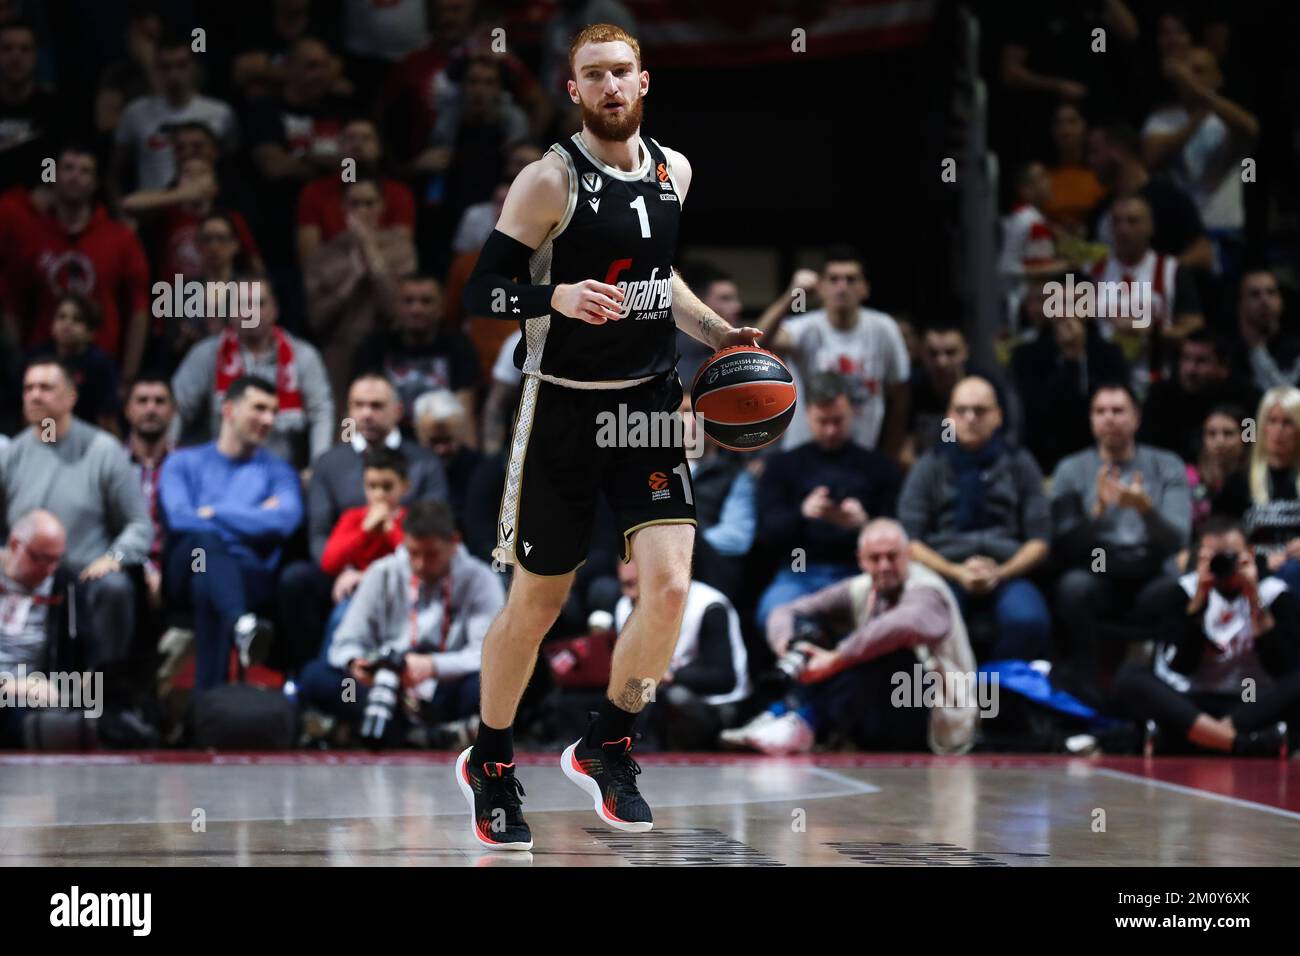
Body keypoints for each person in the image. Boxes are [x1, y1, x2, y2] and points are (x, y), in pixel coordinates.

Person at [455, 23, 763, 849]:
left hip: (651, 406)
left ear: (645, 80)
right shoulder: (547, 182)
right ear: (574, 89)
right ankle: (490, 758)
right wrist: (549, 298)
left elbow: (663, 283)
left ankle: (610, 742)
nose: (612, 87)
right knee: (540, 600)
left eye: (623, 72)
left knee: (667, 589)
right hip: (560, 407)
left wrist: (721, 335)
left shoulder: (675, 172)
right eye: (595, 75)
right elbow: (481, 294)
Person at [729, 519, 977, 756]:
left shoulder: (928, 589)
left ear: (909, 555)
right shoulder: (862, 587)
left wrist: (836, 658)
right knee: (809, 632)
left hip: (935, 714)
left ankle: (806, 721)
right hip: (884, 713)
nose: (884, 566)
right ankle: (791, 715)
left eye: (892, 556)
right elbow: (786, 610)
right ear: (861, 560)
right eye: (875, 558)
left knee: (884, 652)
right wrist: (786, 644)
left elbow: (901, 625)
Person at [300, 499, 504, 747]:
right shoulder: (381, 572)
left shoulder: (479, 578)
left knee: (491, 686)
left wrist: (431, 666)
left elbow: (484, 655)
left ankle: (393, 731)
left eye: (431, 555)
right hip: (380, 689)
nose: (420, 564)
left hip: (445, 688)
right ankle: (428, 734)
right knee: (325, 680)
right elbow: (344, 642)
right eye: (412, 553)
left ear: (454, 543)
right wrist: (358, 664)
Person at [278, 372, 447, 670]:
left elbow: (435, 526)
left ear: (397, 410)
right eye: (359, 405)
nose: (367, 413)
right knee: (295, 580)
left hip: (408, 570)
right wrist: (345, 570)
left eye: (377, 405)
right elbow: (318, 534)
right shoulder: (329, 462)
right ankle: (306, 678)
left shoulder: (424, 461)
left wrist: (373, 575)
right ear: (348, 411)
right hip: (342, 568)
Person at [2, 361, 151, 689]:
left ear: (71, 397)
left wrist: (115, 557)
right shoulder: (12, 454)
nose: (35, 396)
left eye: (46, 388)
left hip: (82, 578)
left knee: (115, 587)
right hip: (22, 578)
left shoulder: (103, 450)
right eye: (29, 389)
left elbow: (139, 524)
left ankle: (105, 694)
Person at [159, 375, 304, 690]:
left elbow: (284, 522)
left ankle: (207, 708)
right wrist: (254, 517)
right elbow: (181, 518)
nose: (268, 419)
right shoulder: (182, 462)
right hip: (188, 564)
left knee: (207, 582)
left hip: (246, 574)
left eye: (273, 412)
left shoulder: (279, 471)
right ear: (228, 411)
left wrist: (215, 511)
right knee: (205, 548)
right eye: (259, 409)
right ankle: (241, 624)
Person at [1050, 382, 1191, 704]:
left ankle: (1171, 698)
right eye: (1100, 411)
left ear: (1136, 418)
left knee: (1178, 590)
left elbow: (1177, 539)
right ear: (1091, 420)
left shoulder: (1166, 464)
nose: (1109, 419)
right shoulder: (1071, 470)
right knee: (1071, 587)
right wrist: (1096, 513)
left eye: (1118, 411)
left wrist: (1145, 509)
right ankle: (1084, 694)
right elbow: (1063, 547)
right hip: (1098, 572)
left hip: (1150, 572)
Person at [1112, 516, 1297, 756]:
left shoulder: (1273, 593)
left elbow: (1284, 668)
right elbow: (1180, 665)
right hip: (1193, 703)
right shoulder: (1185, 592)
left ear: (1250, 554)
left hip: (1249, 702)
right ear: (1200, 558)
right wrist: (1199, 602)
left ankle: (1207, 739)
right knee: (1129, 677)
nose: (1223, 566)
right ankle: (1241, 745)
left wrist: (1254, 600)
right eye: (1213, 559)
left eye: (1230, 557)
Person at [900, 376, 1052, 663]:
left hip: (1008, 570)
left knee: (1029, 621)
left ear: (998, 417)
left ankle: (999, 695)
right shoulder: (928, 466)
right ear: (949, 416)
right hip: (944, 571)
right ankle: (953, 699)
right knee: (930, 621)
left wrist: (1001, 572)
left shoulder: (1021, 463)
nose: (970, 418)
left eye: (980, 411)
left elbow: (1040, 540)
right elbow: (910, 541)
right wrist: (956, 572)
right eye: (962, 410)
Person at [754, 372, 901, 629]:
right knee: (774, 613)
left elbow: (900, 531)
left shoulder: (879, 467)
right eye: (823, 421)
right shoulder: (782, 466)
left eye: (838, 420)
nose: (831, 430)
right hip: (799, 573)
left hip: (860, 573)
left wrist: (865, 525)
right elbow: (766, 535)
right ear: (808, 415)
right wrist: (803, 514)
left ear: (852, 413)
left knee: (884, 620)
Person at [0, 144, 151, 382]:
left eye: (84, 171)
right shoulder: (29, 235)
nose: (75, 176)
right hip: (40, 368)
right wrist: (18, 358)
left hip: (100, 369)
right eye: (68, 168)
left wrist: (128, 374)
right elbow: (12, 303)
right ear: (53, 176)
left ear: (95, 182)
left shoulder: (121, 238)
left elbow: (138, 310)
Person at [759, 245, 911, 460]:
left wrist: (890, 453)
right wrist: (792, 294)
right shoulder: (804, 328)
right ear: (820, 287)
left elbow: (900, 395)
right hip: (804, 452)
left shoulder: (883, 329)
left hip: (862, 455)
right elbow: (757, 344)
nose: (841, 287)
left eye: (850, 279)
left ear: (865, 288)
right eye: (833, 279)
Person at [171, 279, 334, 473]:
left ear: (275, 310)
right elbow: (176, 408)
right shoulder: (207, 354)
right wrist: (168, 460)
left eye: (259, 304)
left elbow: (322, 413)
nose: (250, 312)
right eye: (241, 305)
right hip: (219, 472)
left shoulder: (303, 356)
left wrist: (318, 469)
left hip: (283, 473)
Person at [303, 175, 416, 412]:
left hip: (390, 350)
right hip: (340, 349)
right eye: (355, 204)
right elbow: (316, 319)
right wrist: (352, 280)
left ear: (382, 206)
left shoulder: (401, 248)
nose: (362, 211)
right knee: (339, 424)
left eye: (369, 203)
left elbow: (396, 309)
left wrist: (371, 253)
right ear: (343, 208)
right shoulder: (324, 255)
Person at [614, 556, 749, 751]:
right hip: (657, 696)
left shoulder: (708, 606)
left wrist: (671, 676)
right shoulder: (625, 606)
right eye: (625, 585)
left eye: (635, 583)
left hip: (716, 705)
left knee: (676, 697)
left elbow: (724, 680)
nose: (630, 593)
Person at [0, 510, 93, 748]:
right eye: (41, 558)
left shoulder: (66, 586)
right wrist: (12, 687)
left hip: (36, 701)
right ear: (15, 545)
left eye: (56, 560)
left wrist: (64, 689)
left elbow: (82, 668)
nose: (49, 569)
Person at [109, 31, 238, 199]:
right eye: (166, 67)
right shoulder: (136, 113)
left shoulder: (220, 113)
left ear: (194, 66)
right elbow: (114, 172)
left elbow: (233, 167)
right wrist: (121, 213)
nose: (173, 75)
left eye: (181, 65)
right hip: (152, 211)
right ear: (156, 68)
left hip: (206, 210)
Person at [353, 275, 480, 441]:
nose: (416, 309)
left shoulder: (458, 347)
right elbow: (357, 405)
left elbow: (464, 412)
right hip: (387, 445)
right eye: (408, 301)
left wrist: (468, 459)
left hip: (439, 442)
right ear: (396, 307)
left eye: (426, 301)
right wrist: (347, 454)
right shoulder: (375, 346)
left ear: (441, 308)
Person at [1213, 387, 1300, 596]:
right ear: (1261, 426)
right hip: (1250, 570)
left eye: (1287, 423)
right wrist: (1259, 562)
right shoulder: (1238, 481)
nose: (1278, 430)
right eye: (1271, 421)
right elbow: (1218, 536)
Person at [1139, 329, 1258, 463]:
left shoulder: (1246, 399)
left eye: (1201, 361)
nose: (1190, 369)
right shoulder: (1160, 397)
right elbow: (1148, 448)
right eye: (1186, 358)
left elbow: (1251, 443)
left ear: (1223, 367)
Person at [25, 294, 120, 434]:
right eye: (61, 317)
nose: (67, 324)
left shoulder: (100, 365)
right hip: (43, 437)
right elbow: (27, 414)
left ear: (91, 332)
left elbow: (106, 418)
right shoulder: (36, 359)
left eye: (77, 319)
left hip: (88, 441)